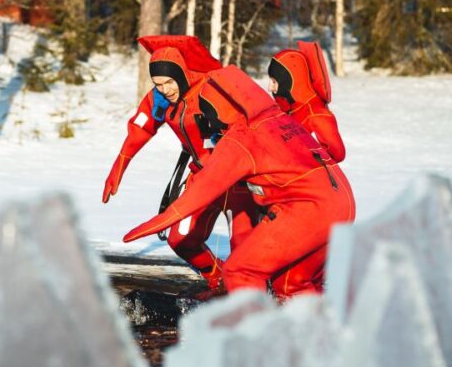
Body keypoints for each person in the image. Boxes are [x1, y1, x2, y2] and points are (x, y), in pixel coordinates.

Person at [123, 65, 356, 299]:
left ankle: (252, 332)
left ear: (217, 108)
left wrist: (158, 222)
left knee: (240, 271)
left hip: (307, 210)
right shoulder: (279, 118)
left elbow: (203, 190)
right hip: (342, 203)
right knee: (293, 283)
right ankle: (319, 331)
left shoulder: (241, 138)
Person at [102, 35, 258, 295]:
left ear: (182, 74)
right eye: (158, 83)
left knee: (245, 248)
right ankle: (218, 282)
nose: (164, 89)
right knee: (181, 240)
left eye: (169, 82)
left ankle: (259, 301)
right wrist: (119, 166)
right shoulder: (161, 99)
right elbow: (141, 128)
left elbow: (256, 126)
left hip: (236, 182)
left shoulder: (214, 89)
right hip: (201, 180)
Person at [268, 41, 346, 162]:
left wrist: (310, 158)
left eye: (274, 82)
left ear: (290, 82)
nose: (270, 88)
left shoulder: (316, 114)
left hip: (309, 180)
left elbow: (337, 153)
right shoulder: (287, 110)